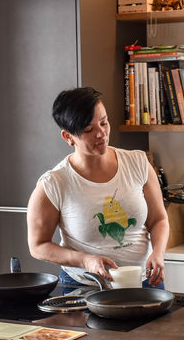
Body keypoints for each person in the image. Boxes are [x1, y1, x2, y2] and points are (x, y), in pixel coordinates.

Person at [27, 87, 168, 288]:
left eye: (104, 122)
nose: (101, 133)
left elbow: (159, 220)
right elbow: (38, 246)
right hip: (86, 287)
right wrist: (85, 260)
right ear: (68, 137)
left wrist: (158, 253)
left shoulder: (138, 163)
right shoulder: (54, 183)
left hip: (145, 282)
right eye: (88, 130)